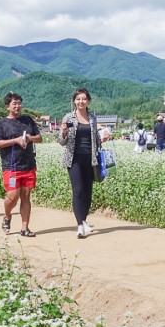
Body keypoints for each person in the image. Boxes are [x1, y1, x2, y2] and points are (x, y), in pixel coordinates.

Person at [58, 88, 110, 238]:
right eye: (78, 99)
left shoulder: (93, 118)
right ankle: (80, 225)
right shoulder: (69, 118)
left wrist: (103, 139)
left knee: (88, 192)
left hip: (91, 159)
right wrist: (63, 133)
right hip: (74, 159)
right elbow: (62, 142)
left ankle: (84, 220)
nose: (81, 101)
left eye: (84, 99)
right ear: (74, 101)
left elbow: (95, 139)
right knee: (78, 191)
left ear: (88, 101)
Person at [0, 92, 42, 237]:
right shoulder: (1, 123)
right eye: (14, 103)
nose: (18, 106)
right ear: (7, 106)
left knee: (26, 196)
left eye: (19, 103)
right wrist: (15, 140)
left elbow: (39, 138)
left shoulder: (27, 120)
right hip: (11, 166)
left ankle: (24, 227)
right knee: (12, 197)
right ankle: (7, 216)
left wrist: (28, 137)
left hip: (28, 165)